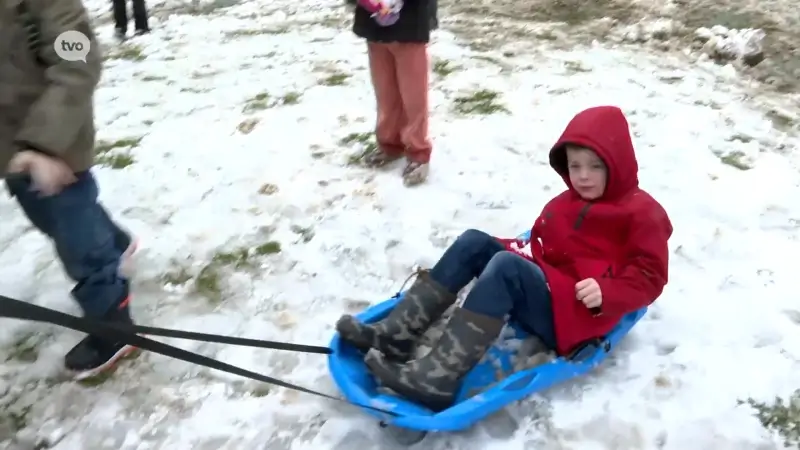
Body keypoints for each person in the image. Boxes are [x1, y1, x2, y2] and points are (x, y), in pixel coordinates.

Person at [335, 105, 674, 411]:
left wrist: (608, 292)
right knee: (474, 242)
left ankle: (436, 379)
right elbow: (542, 246)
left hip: (576, 314)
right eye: (575, 166)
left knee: (506, 268)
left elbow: (651, 275)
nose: (582, 176)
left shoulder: (642, 214)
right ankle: (397, 335)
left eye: (595, 166)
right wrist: (501, 250)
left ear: (618, 163)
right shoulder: (567, 201)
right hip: (548, 286)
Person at [1, 0, 138, 380]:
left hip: (54, 147)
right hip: (9, 149)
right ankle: (115, 240)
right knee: (50, 218)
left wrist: (43, 146)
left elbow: (76, 64)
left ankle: (113, 321)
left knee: (78, 242)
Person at [345, 0, 437, 186]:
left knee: (413, 95)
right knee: (385, 91)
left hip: (409, 23)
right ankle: (390, 144)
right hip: (375, 23)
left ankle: (418, 151)